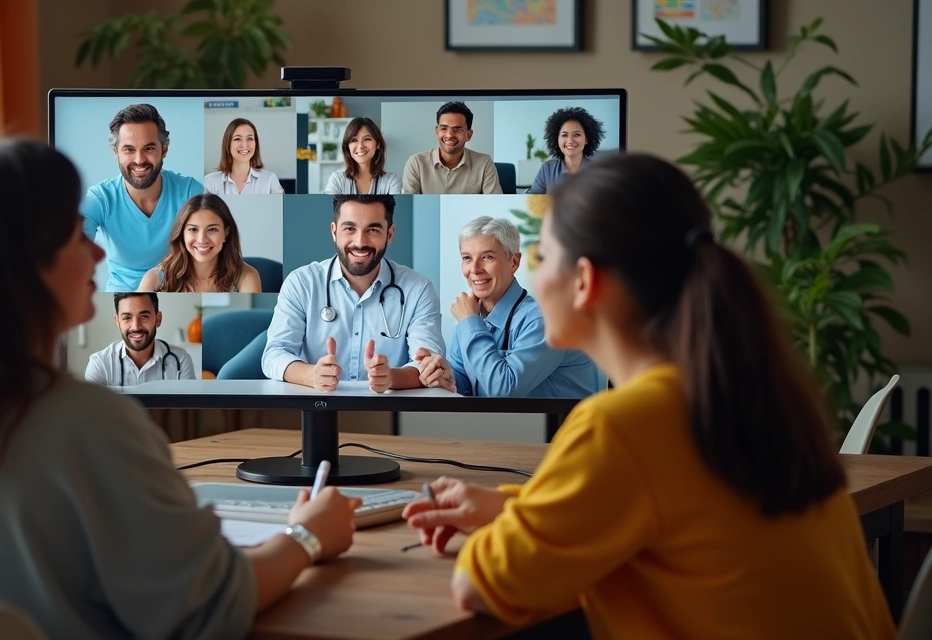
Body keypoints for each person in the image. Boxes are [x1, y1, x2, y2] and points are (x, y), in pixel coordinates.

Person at [0, 138, 362, 640]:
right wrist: (307, 537)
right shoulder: (88, 422)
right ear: (20, 262)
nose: (99, 256)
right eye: (76, 236)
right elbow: (211, 606)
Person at [401, 153, 895, 639]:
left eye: (542, 258)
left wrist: (511, 526)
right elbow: (657, 508)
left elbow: (477, 587)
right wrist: (513, 508)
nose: (535, 277)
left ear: (584, 282)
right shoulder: (740, 393)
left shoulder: (621, 425)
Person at [262, 194, 445, 392]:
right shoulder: (302, 283)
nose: (360, 242)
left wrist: (391, 378)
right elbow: (274, 354)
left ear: (389, 234)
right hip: (316, 407)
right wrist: (311, 375)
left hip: (387, 412)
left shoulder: (418, 289)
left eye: (373, 230)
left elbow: (430, 365)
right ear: (334, 231)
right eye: (350, 228)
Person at [416, 216, 601, 398]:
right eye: (467, 258)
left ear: (514, 262)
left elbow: (503, 390)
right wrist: (446, 376)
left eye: (487, 257)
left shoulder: (545, 320)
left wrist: (469, 322)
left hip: (557, 426)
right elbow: (467, 385)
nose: (474, 269)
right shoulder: (472, 317)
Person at [82, 104, 205, 290]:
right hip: (120, 298)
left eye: (148, 148)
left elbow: (214, 256)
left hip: (177, 295)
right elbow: (71, 251)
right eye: (129, 149)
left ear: (164, 149)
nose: (139, 160)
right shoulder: (100, 199)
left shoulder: (190, 192)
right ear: (115, 152)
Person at [137, 194, 262, 293]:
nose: (202, 239)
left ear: (226, 233)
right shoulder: (154, 279)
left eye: (212, 229)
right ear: (182, 233)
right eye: (193, 229)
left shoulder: (247, 277)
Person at [85, 292, 197, 386]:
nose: (136, 327)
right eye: (127, 318)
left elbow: (189, 410)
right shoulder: (100, 364)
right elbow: (91, 411)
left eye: (144, 317)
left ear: (158, 319)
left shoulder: (181, 360)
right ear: (117, 322)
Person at [401, 101, 501, 195]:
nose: (449, 135)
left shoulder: (484, 163)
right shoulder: (416, 162)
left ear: (468, 135)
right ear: (437, 131)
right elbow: (406, 204)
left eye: (457, 129)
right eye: (444, 128)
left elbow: (496, 203)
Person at [529, 106, 605, 194]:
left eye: (576, 135)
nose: (570, 141)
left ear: (587, 139)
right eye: (564, 135)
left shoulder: (598, 171)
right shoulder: (547, 169)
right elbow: (533, 202)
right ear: (557, 139)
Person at [203, 118, 285, 195]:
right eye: (237, 139)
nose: (244, 145)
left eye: (250, 138)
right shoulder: (210, 182)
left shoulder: (270, 180)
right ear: (228, 144)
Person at [324, 117, 402, 195]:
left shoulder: (392, 181)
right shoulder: (337, 179)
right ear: (348, 146)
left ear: (377, 144)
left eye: (367, 139)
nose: (360, 146)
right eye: (354, 140)